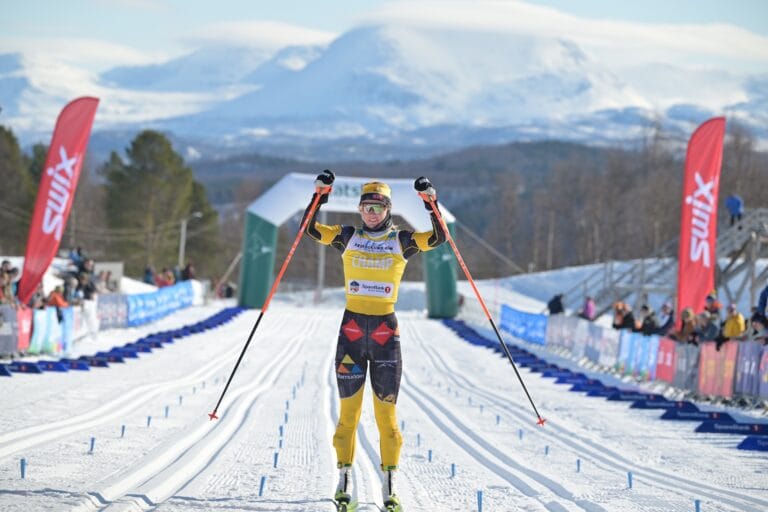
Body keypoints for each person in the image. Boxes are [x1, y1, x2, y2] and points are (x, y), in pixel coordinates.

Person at [302, 170, 446, 512]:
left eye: (377, 208)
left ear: (388, 210)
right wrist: (320, 196)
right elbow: (309, 229)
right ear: (359, 209)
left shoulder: (403, 241)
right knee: (347, 417)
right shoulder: (347, 236)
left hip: (385, 336)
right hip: (351, 334)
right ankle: (344, 483)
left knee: (387, 419)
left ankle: (390, 487)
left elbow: (439, 237)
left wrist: (430, 202)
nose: (371, 213)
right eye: (366, 207)